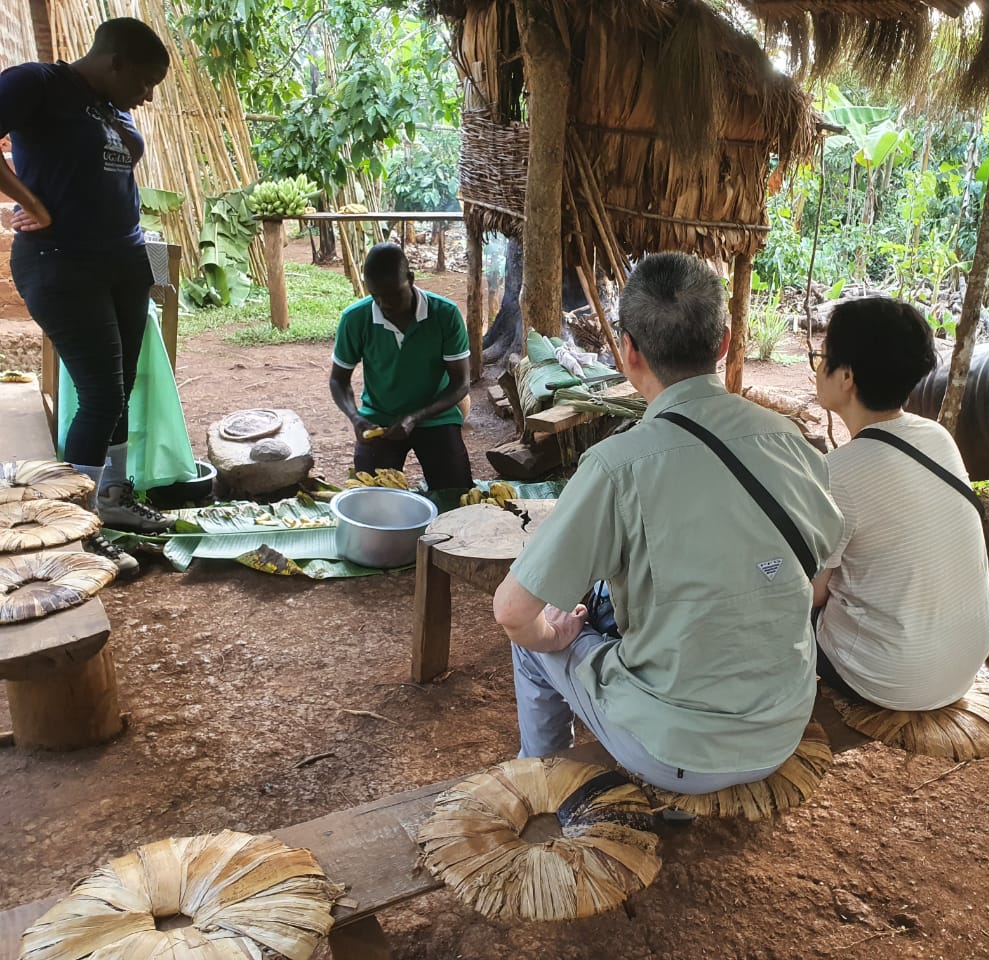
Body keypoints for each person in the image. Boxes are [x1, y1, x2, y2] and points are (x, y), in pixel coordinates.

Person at [492, 252, 844, 795]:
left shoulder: (618, 464)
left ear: (628, 351)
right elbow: (817, 583)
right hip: (782, 726)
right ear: (724, 342)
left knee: (535, 636)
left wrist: (553, 635)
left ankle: (539, 782)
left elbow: (513, 612)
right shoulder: (788, 440)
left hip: (677, 750)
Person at [1, 17, 175, 572]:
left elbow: (105, 164)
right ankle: (73, 534)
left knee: (118, 389)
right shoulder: (38, 84)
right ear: (114, 61)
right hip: (62, 263)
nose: (146, 98)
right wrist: (32, 203)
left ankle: (113, 502)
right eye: (144, 83)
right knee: (100, 393)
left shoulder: (108, 105)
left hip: (123, 258)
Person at [810, 297, 989, 711]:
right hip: (968, 657)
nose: (817, 368)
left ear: (846, 377)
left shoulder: (834, 473)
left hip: (892, 676)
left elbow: (812, 596)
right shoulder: (937, 438)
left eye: (821, 357)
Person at [329, 243, 473, 489]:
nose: (384, 304)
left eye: (393, 294)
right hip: (380, 418)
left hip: (436, 415)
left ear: (411, 279)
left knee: (456, 493)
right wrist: (355, 418)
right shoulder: (355, 319)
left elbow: (461, 384)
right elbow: (338, 380)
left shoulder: (445, 314)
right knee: (371, 498)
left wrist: (415, 417)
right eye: (376, 296)